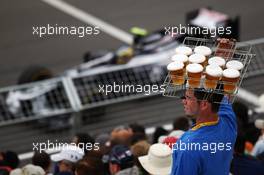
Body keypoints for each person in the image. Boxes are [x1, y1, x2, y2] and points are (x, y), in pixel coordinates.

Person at [171, 88, 237, 175]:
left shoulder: (187, 147)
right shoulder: (229, 123)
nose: (183, 101)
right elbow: (222, 96)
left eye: (188, 98)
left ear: (204, 104)